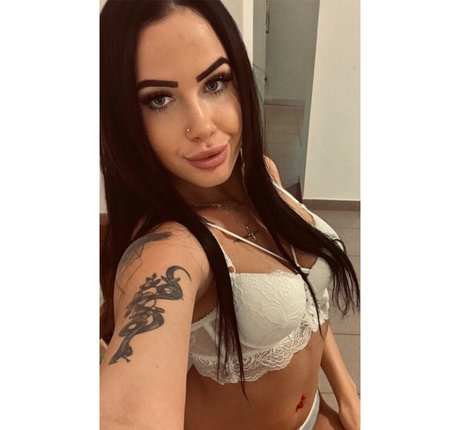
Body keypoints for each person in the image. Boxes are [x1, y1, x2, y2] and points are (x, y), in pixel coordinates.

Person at [99, 1, 360, 429]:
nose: (202, 125)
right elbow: (129, 409)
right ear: (123, 118)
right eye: (159, 99)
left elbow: (310, 301)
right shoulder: (169, 251)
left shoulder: (262, 175)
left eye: (215, 82)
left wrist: (346, 396)